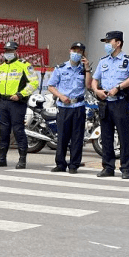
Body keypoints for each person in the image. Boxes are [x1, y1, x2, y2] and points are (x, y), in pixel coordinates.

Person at [90, 30, 129, 179]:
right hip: (105, 103)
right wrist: (96, 90)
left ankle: (126, 168)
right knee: (106, 136)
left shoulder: (128, 60)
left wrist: (118, 87)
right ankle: (108, 167)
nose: (106, 44)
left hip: (120, 102)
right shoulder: (103, 61)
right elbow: (95, 79)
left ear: (117, 43)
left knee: (124, 136)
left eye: (108, 41)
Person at [0, 40, 39, 168]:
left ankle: (22, 159)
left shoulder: (24, 65)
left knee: (18, 130)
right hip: (3, 103)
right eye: (6, 51)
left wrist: (20, 95)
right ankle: (1, 159)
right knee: (3, 131)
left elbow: (34, 83)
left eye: (10, 51)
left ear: (16, 51)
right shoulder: (0, 68)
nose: (8, 53)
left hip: (17, 103)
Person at [46, 42, 91, 174]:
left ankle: (73, 165)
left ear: (83, 54)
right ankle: (60, 164)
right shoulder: (60, 68)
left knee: (77, 137)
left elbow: (88, 85)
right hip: (64, 106)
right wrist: (60, 96)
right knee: (62, 137)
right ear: (70, 51)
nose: (77, 54)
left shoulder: (84, 69)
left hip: (78, 106)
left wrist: (87, 68)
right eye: (75, 51)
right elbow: (51, 86)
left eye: (80, 51)